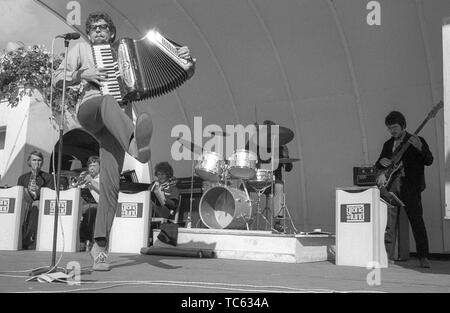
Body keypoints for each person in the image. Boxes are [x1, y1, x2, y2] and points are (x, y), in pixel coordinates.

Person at [54, 11, 192, 271]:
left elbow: (165, 59)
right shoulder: (81, 49)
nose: (98, 31)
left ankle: (99, 248)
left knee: (109, 185)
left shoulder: (126, 52)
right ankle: (136, 147)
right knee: (107, 100)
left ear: (111, 32)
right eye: (93, 27)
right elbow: (57, 77)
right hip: (91, 109)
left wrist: (180, 55)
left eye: (103, 27)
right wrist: (81, 75)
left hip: (116, 125)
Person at [375, 111, 433, 268]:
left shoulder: (417, 140)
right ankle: (387, 256)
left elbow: (429, 160)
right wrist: (381, 164)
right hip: (391, 187)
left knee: (416, 221)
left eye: (394, 127)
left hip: (411, 187)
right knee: (389, 223)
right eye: (389, 128)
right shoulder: (388, 144)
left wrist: (420, 147)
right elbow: (378, 165)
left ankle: (423, 257)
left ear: (403, 125)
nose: (392, 131)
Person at [17, 151, 54, 250]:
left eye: (39, 160)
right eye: (34, 160)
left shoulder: (48, 177)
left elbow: (50, 196)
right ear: (29, 162)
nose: (37, 163)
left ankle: (29, 238)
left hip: (40, 204)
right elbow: (18, 193)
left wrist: (38, 191)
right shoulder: (22, 178)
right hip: (25, 203)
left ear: (42, 162)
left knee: (36, 204)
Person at [78, 156, 100, 252]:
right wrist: (78, 182)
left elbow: (103, 190)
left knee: (90, 209)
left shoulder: (103, 177)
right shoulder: (86, 177)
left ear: (100, 167)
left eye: (94, 166)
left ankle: (87, 240)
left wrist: (91, 181)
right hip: (84, 204)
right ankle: (78, 240)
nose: (91, 168)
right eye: (90, 166)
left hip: (98, 205)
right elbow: (77, 191)